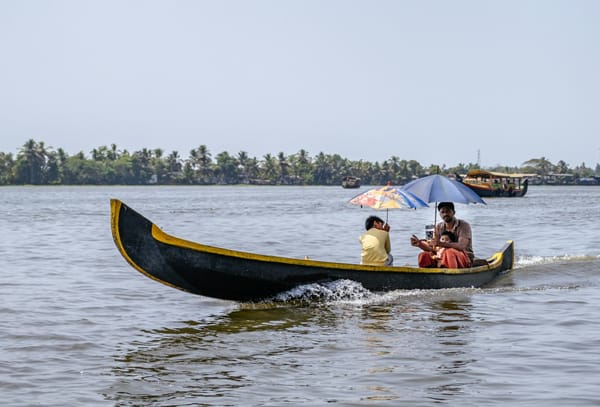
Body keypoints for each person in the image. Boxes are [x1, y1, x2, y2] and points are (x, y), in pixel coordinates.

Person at [410, 202, 474, 268]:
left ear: (454, 212)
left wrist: (440, 243)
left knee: (449, 252)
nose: (445, 214)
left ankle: (451, 276)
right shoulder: (438, 226)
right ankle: (426, 276)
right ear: (440, 214)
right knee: (423, 255)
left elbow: (461, 246)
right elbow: (432, 249)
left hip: (464, 258)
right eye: (442, 212)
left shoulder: (464, 225)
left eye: (448, 211)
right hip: (441, 256)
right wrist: (420, 244)